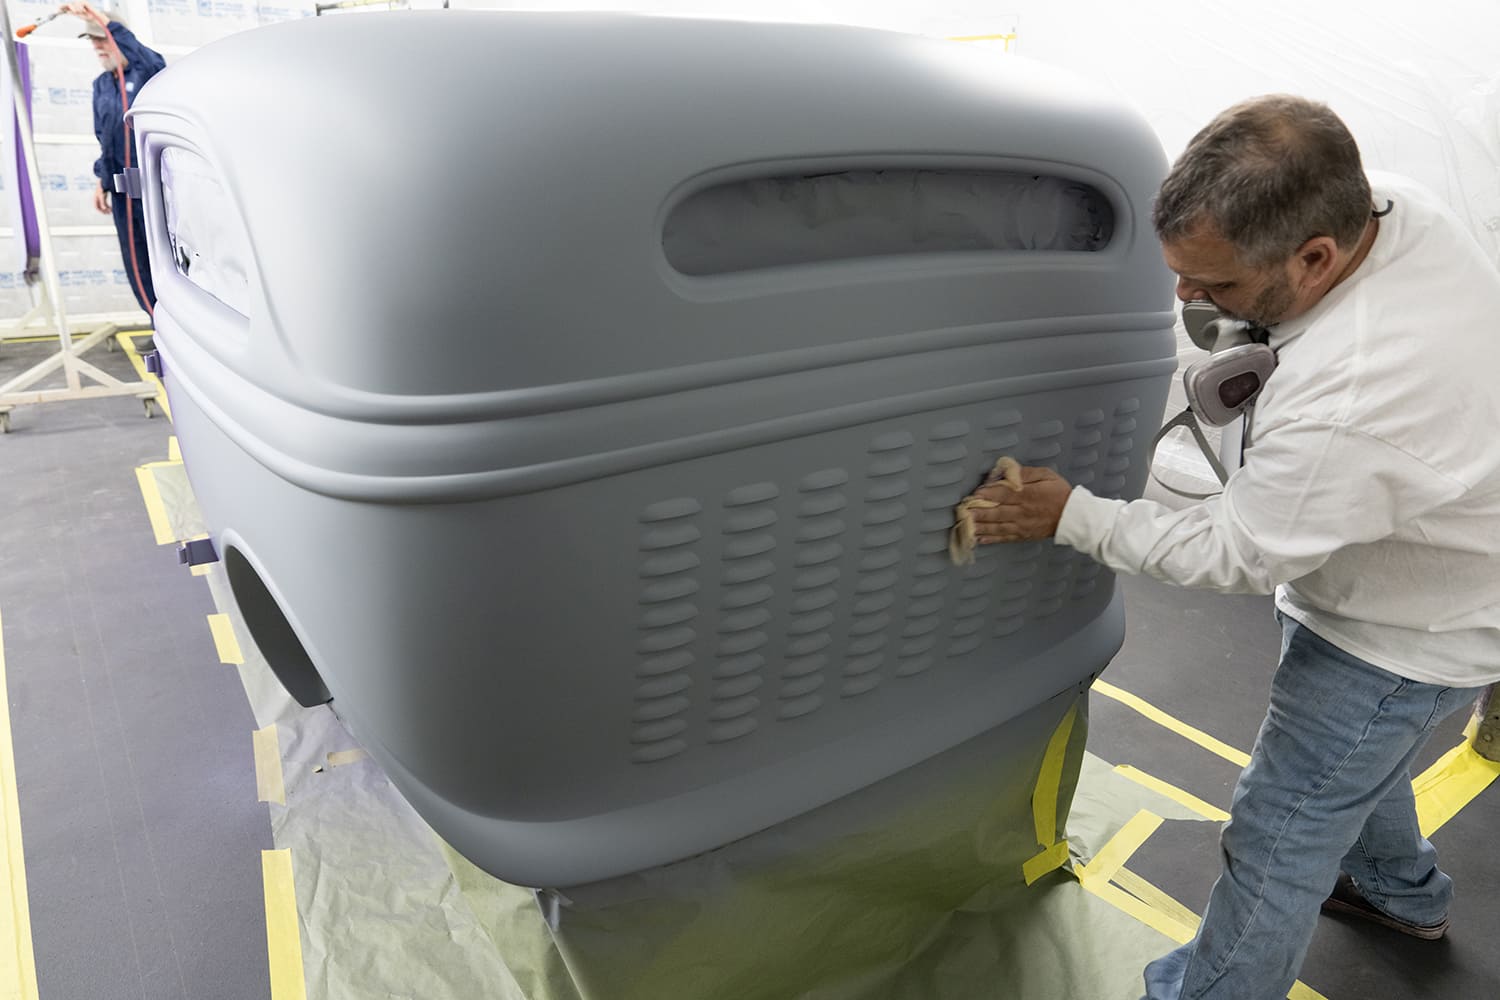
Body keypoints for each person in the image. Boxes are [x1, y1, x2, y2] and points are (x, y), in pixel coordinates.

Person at [967, 94, 1500, 1000]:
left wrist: (1070, 517)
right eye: (1180, 273)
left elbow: (1239, 555)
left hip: (1401, 637)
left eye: (1216, 285)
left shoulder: (1352, 400)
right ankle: (1402, 896)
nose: (1187, 298)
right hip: (1432, 575)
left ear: (1315, 257)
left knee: (1277, 835)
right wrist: (1256, 330)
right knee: (1352, 770)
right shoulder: (1390, 207)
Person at [63, 2, 166, 315]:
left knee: (164, 260)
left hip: (154, 189)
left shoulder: (148, 72)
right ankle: (157, 323)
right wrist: (102, 179)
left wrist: (102, 18)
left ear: (120, 39)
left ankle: (177, 326)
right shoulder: (101, 85)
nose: (96, 46)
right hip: (122, 192)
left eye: (101, 38)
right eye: (92, 40)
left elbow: (145, 57)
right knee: (137, 263)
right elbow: (104, 138)